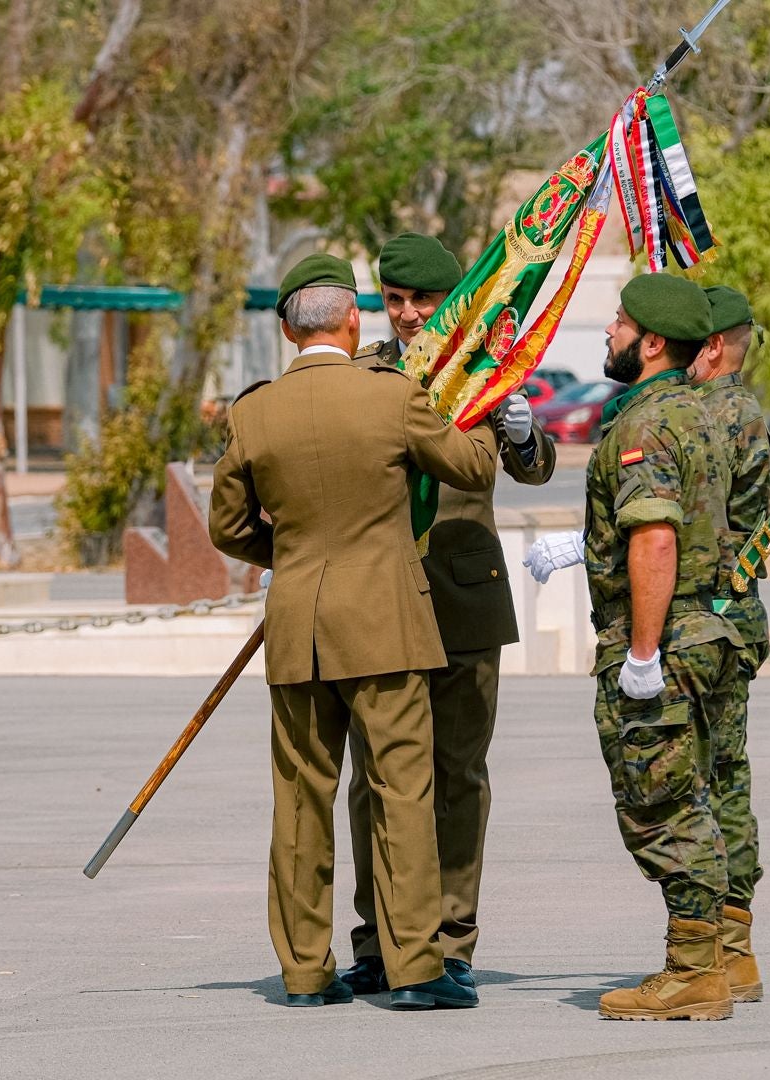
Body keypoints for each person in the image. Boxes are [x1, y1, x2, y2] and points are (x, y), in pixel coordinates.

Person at [208, 253, 497, 1011]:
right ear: (354, 320)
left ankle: (305, 974)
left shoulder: (254, 412)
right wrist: (492, 419)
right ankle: (413, 970)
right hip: (387, 626)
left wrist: (294, 559)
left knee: (301, 800)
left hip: (298, 626)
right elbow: (470, 467)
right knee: (401, 791)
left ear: (284, 329)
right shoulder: (392, 398)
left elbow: (227, 526)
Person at [523, 273, 743, 1021]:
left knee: (660, 806)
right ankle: (713, 958)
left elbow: (654, 539)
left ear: (651, 342)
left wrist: (641, 657)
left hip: (665, 641)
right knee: (692, 797)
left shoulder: (644, 425)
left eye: (617, 324)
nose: (607, 334)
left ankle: (694, 972)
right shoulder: (699, 411)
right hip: (705, 632)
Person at [342, 232, 556, 994]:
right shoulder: (363, 372)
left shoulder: (483, 372)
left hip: (463, 594)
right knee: (375, 778)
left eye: (422, 301)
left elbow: (534, 468)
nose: (405, 315)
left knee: (457, 772)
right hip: (378, 595)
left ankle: (452, 939)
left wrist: (523, 430)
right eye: (394, 300)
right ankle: (377, 940)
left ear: (453, 299)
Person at [686, 285, 770, 1003]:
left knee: (706, 785)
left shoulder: (721, 415)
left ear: (713, 346)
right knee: (727, 779)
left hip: (712, 619)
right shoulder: (742, 411)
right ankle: (735, 946)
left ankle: (720, 946)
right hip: (733, 617)